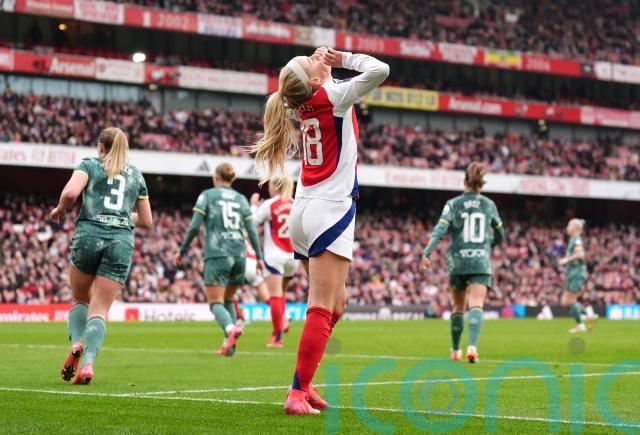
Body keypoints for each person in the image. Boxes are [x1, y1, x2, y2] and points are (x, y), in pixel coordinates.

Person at [251, 46, 389, 414]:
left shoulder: (306, 103)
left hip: (306, 206)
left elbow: (320, 85)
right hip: (330, 207)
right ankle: (297, 392)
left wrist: (325, 67)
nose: (317, 56)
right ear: (314, 80)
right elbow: (380, 69)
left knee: (336, 303)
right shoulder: (334, 95)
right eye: (311, 61)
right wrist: (342, 58)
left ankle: (305, 381)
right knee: (322, 306)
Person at [52, 127, 152, 385]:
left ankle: (76, 342)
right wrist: (120, 215)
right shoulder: (136, 174)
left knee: (80, 300)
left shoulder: (89, 164)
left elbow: (70, 193)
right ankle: (88, 363)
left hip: (89, 236)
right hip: (120, 241)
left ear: (100, 147)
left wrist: (60, 209)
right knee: (100, 309)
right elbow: (147, 221)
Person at [175, 163, 263, 356]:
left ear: (215, 177)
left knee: (215, 302)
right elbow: (251, 231)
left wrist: (182, 250)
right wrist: (259, 257)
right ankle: (229, 347)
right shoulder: (241, 199)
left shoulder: (207, 195)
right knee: (228, 299)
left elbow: (194, 226)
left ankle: (231, 329)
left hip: (218, 253)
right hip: (239, 255)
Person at [421, 162, 504, 364]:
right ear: (481, 183)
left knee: (458, 306)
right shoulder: (489, 205)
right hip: (480, 261)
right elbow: (500, 233)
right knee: (476, 304)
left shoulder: (453, 204)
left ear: (464, 181)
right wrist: (489, 244)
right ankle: (472, 348)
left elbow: (440, 230)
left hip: (458, 261)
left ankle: (456, 350)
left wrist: (427, 251)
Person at [251, 176, 298, 347]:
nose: (268, 188)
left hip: (275, 255)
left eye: (270, 185)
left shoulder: (270, 204)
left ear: (276, 187)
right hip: (293, 256)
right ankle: (279, 326)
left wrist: (253, 206)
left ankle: (277, 337)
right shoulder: (296, 204)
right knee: (281, 293)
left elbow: (253, 223)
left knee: (275, 295)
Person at [559, 218, 596, 333]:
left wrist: (566, 260)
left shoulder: (577, 239)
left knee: (570, 301)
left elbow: (580, 254)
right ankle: (588, 316)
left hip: (576, 273)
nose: (567, 228)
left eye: (569, 226)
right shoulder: (573, 239)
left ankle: (581, 324)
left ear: (575, 228)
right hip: (572, 273)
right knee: (565, 302)